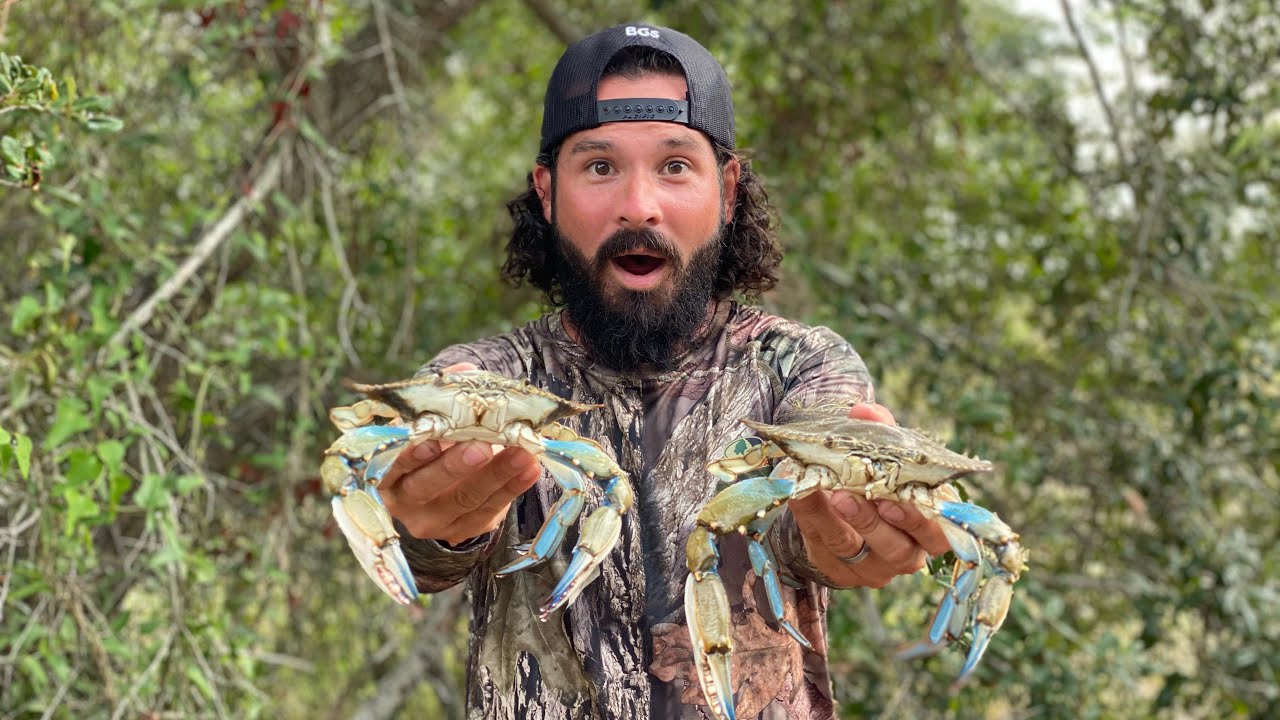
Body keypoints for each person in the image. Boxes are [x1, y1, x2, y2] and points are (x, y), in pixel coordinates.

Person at [377, 22, 951, 719]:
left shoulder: (798, 367)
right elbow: (420, 550)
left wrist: (854, 530)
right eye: (599, 166)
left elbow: (811, 521)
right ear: (547, 191)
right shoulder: (494, 377)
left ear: (728, 189)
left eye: (675, 165)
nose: (639, 206)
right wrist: (430, 521)